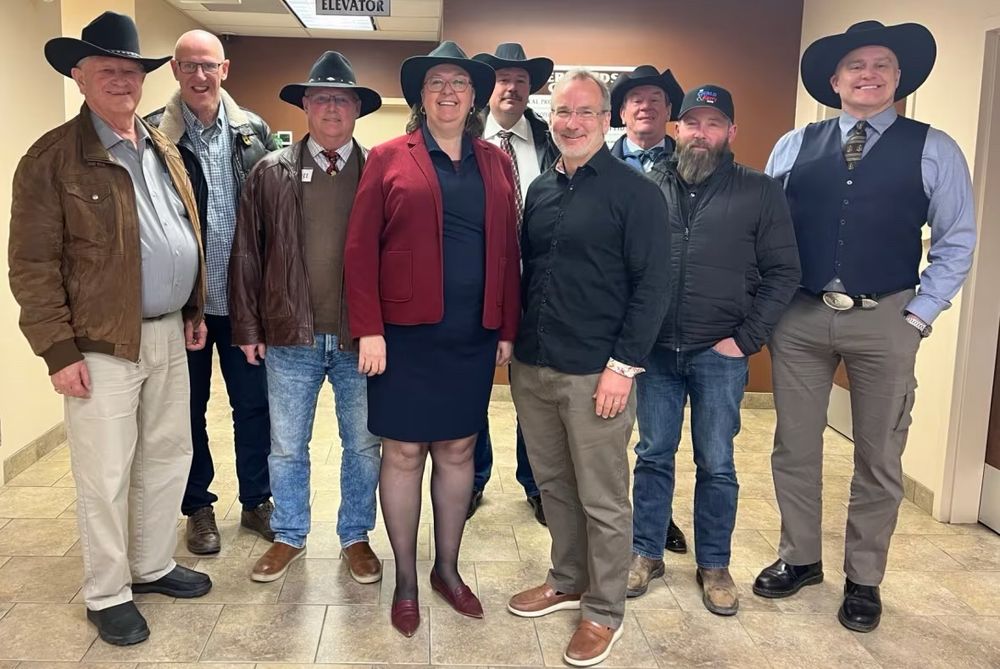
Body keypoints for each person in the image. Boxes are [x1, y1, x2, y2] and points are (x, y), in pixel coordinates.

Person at [755, 21, 976, 633]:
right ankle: (800, 558)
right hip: (800, 317)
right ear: (835, 80)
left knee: (879, 455)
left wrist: (919, 315)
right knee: (794, 447)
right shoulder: (794, 144)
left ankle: (864, 578)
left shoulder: (935, 148)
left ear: (899, 78)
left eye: (882, 65)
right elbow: (766, 229)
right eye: (855, 65)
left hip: (886, 317)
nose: (868, 75)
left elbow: (956, 240)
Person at [9, 11, 212, 646]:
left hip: (168, 332)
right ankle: (107, 591)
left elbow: (181, 234)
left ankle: (150, 564)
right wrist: (57, 349)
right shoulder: (52, 159)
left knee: (167, 454)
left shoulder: (161, 147)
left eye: (130, 71)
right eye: (107, 71)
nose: (122, 81)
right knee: (105, 472)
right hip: (100, 343)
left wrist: (193, 309)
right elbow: (32, 264)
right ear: (79, 76)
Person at [344, 41, 521, 637]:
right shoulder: (389, 157)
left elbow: (508, 250)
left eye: (459, 83)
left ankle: (447, 569)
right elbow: (359, 250)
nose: (449, 91)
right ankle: (405, 579)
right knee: (402, 453)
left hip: (471, 334)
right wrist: (368, 329)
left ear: (474, 98)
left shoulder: (495, 162)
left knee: (458, 451)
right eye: (437, 82)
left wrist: (506, 327)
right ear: (421, 96)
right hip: (402, 338)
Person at [506, 69, 671, 668]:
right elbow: (529, 273)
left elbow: (653, 287)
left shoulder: (637, 193)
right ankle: (567, 579)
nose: (571, 123)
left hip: (596, 373)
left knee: (602, 497)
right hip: (535, 366)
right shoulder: (540, 190)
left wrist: (623, 367)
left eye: (584, 112)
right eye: (562, 112)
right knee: (554, 485)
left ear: (607, 120)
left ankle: (603, 609)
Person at [626, 85, 800, 615]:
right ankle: (645, 552)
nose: (701, 133)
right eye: (693, 123)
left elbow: (784, 272)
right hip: (656, 353)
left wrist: (744, 340)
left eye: (714, 123)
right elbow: (625, 266)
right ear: (676, 129)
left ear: (731, 132)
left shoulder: (759, 191)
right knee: (652, 455)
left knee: (717, 462)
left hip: (718, 354)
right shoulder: (646, 187)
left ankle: (715, 564)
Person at [229, 51, 384, 585]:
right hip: (288, 335)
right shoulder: (269, 172)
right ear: (306, 106)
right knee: (287, 446)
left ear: (357, 109)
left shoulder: (379, 172)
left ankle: (356, 536)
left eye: (342, 99)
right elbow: (246, 253)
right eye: (321, 98)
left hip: (357, 340)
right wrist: (248, 328)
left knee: (362, 445)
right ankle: (289, 534)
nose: (332, 108)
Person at [145, 29, 279, 555]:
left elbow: (272, 215)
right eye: (189, 66)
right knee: (187, 409)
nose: (199, 76)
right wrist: (181, 302)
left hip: (245, 305)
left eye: (209, 65)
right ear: (175, 70)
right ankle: (197, 506)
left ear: (225, 69)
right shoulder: (155, 135)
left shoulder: (253, 131)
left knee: (254, 407)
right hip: (187, 306)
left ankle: (257, 500)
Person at [466, 41, 557, 524]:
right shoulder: (461, 137)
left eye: (521, 80)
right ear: (488, 86)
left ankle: (537, 483)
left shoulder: (550, 140)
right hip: (478, 285)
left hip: (537, 287)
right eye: (503, 79)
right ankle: (473, 478)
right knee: (472, 386)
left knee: (534, 392)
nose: (512, 88)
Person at [608, 64, 689, 555]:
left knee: (657, 437)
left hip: (662, 322)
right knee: (605, 434)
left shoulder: (691, 166)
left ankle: (656, 518)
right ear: (621, 112)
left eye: (655, 99)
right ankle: (611, 517)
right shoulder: (596, 164)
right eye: (636, 99)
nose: (645, 106)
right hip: (604, 323)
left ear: (669, 111)